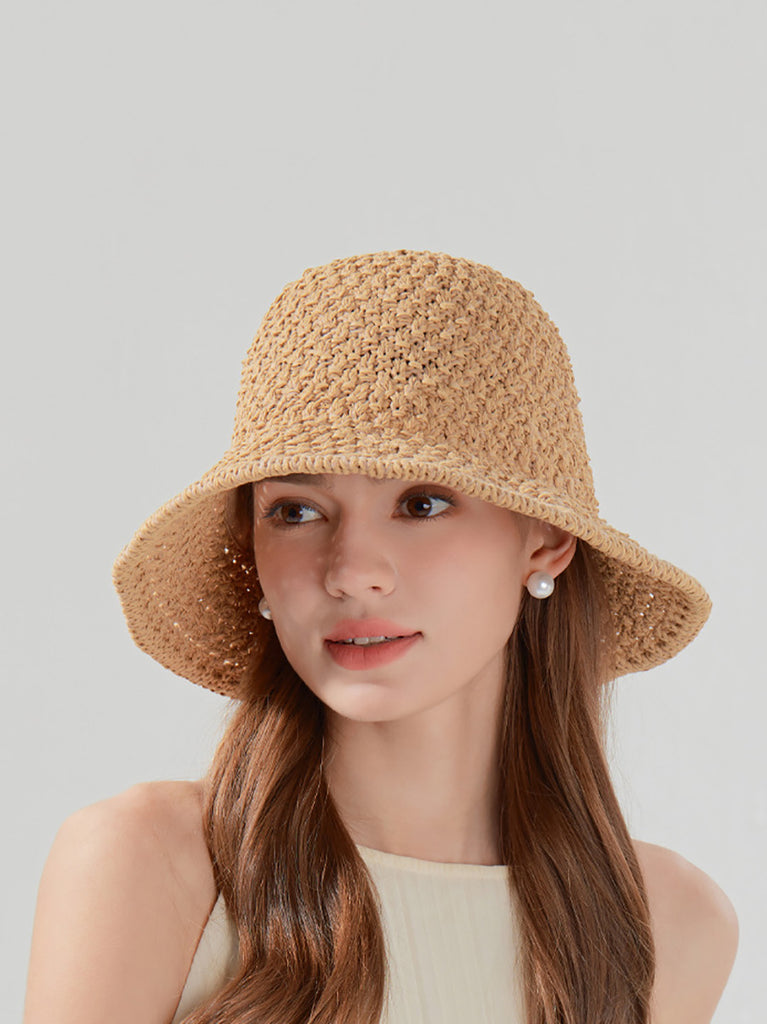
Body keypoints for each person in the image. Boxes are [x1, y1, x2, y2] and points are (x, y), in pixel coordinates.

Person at [23, 250, 738, 1024]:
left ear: (544, 541)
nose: (350, 573)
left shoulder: (667, 925)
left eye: (421, 503)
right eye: (295, 512)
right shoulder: (147, 862)